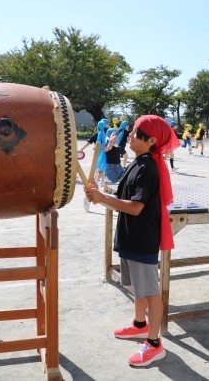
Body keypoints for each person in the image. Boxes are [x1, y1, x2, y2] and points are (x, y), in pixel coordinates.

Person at [85, 114, 179, 367]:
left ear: (151, 141)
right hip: (130, 237)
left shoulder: (148, 168)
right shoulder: (137, 163)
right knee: (137, 287)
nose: (130, 136)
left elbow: (136, 207)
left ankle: (155, 344)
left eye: (136, 133)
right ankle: (139, 324)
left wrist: (103, 199)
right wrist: (102, 192)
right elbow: (125, 196)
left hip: (142, 239)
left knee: (150, 292)